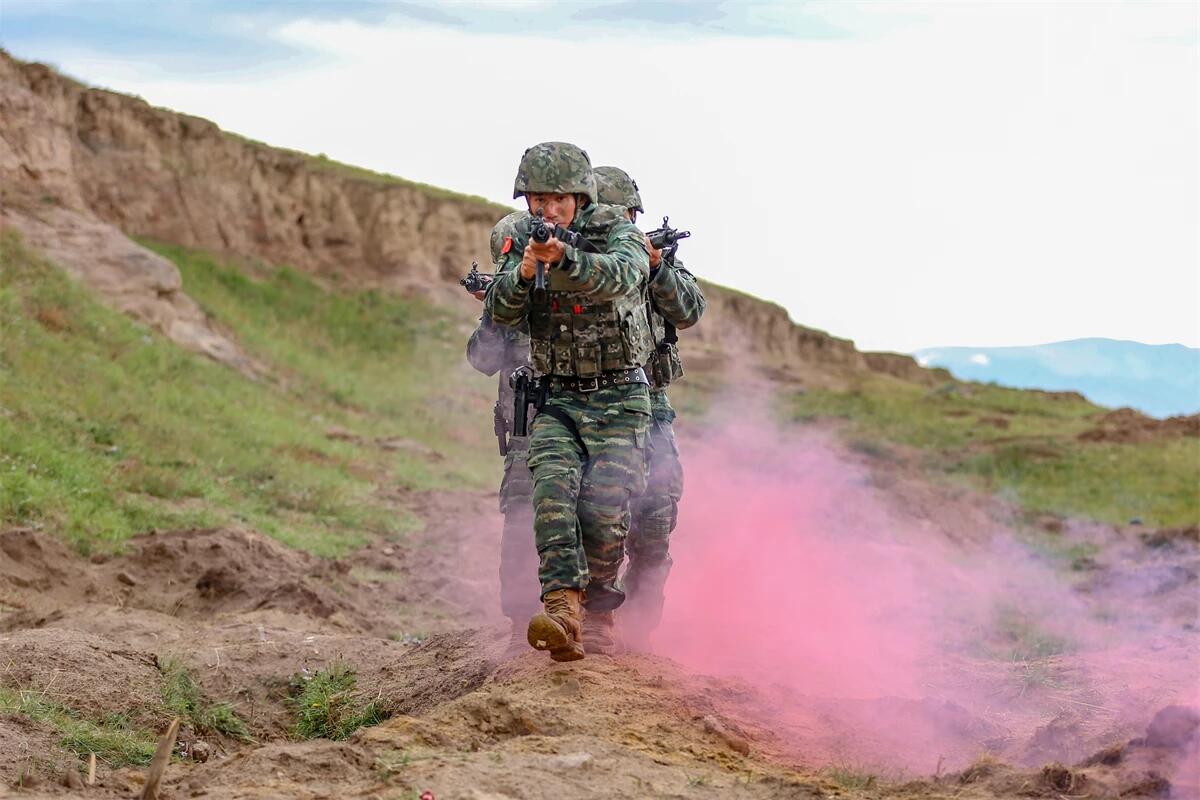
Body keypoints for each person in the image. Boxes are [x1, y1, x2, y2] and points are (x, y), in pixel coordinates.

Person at [485, 141, 653, 661]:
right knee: (552, 497)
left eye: (558, 199)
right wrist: (527, 273)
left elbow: (624, 276)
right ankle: (561, 609)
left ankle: (599, 613)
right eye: (537, 199)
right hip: (557, 397)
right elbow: (498, 312)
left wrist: (569, 260)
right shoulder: (521, 240)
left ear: (580, 197)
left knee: (604, 515)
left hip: (620, 397)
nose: (547, 210)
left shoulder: (616, 231)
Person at [592, 166, 706, 651]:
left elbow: (690, 310)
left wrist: (656, 267)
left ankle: (638, 633)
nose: (626, 222)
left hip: (652, 404)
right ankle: (588, 618)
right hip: (588, 403)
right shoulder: (577, 261)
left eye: (630, 215)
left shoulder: (652, 259)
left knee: (656, 517)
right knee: (596, 516)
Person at [465, 210, 538, 654]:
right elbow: (482, 359)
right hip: (523, 434)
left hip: (575, 428)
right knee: (520, 526)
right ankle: (520, 627)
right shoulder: (508, 306)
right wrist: (495, 311)